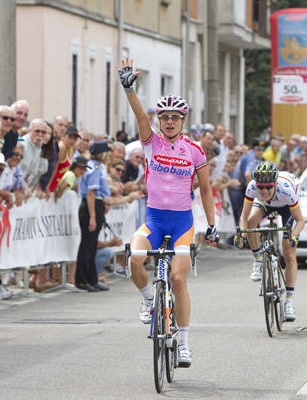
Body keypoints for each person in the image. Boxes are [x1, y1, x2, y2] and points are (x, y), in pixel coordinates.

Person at [118, 57, 219, 368]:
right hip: (153, 220)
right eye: (165, 117)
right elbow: (139, 117)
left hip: (182, 224)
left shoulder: (195, 150)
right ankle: (149, 299)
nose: (170, 122)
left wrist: (211, 225)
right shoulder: (151, 143)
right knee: (134, 258)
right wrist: (129, 90)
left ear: (183, 120)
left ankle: (185, 343)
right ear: (159, 121)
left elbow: (205, 190)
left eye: (175, 117)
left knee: (178, 279)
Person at [236, 161, 305, 322]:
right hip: (265, 205)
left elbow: (300, 221)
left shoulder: (286, 190)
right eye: (261, 187)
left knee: (289, 253)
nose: (264, 190)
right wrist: (241, 233)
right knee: (252, 221)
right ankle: (258, 260)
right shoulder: (252, 187)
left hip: (287, 206)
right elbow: (243, 218)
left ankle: (289, 300)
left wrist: (293, 235)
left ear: (275, 184)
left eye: (268, 187)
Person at [75, 141, 113, 292]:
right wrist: (93, 217)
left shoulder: (94, 166)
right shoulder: (96, 168)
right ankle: (83, 279)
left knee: (91, 245)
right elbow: (91, 193)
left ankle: (91, 278)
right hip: (91, 205)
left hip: (94, 204)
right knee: (87, 245)